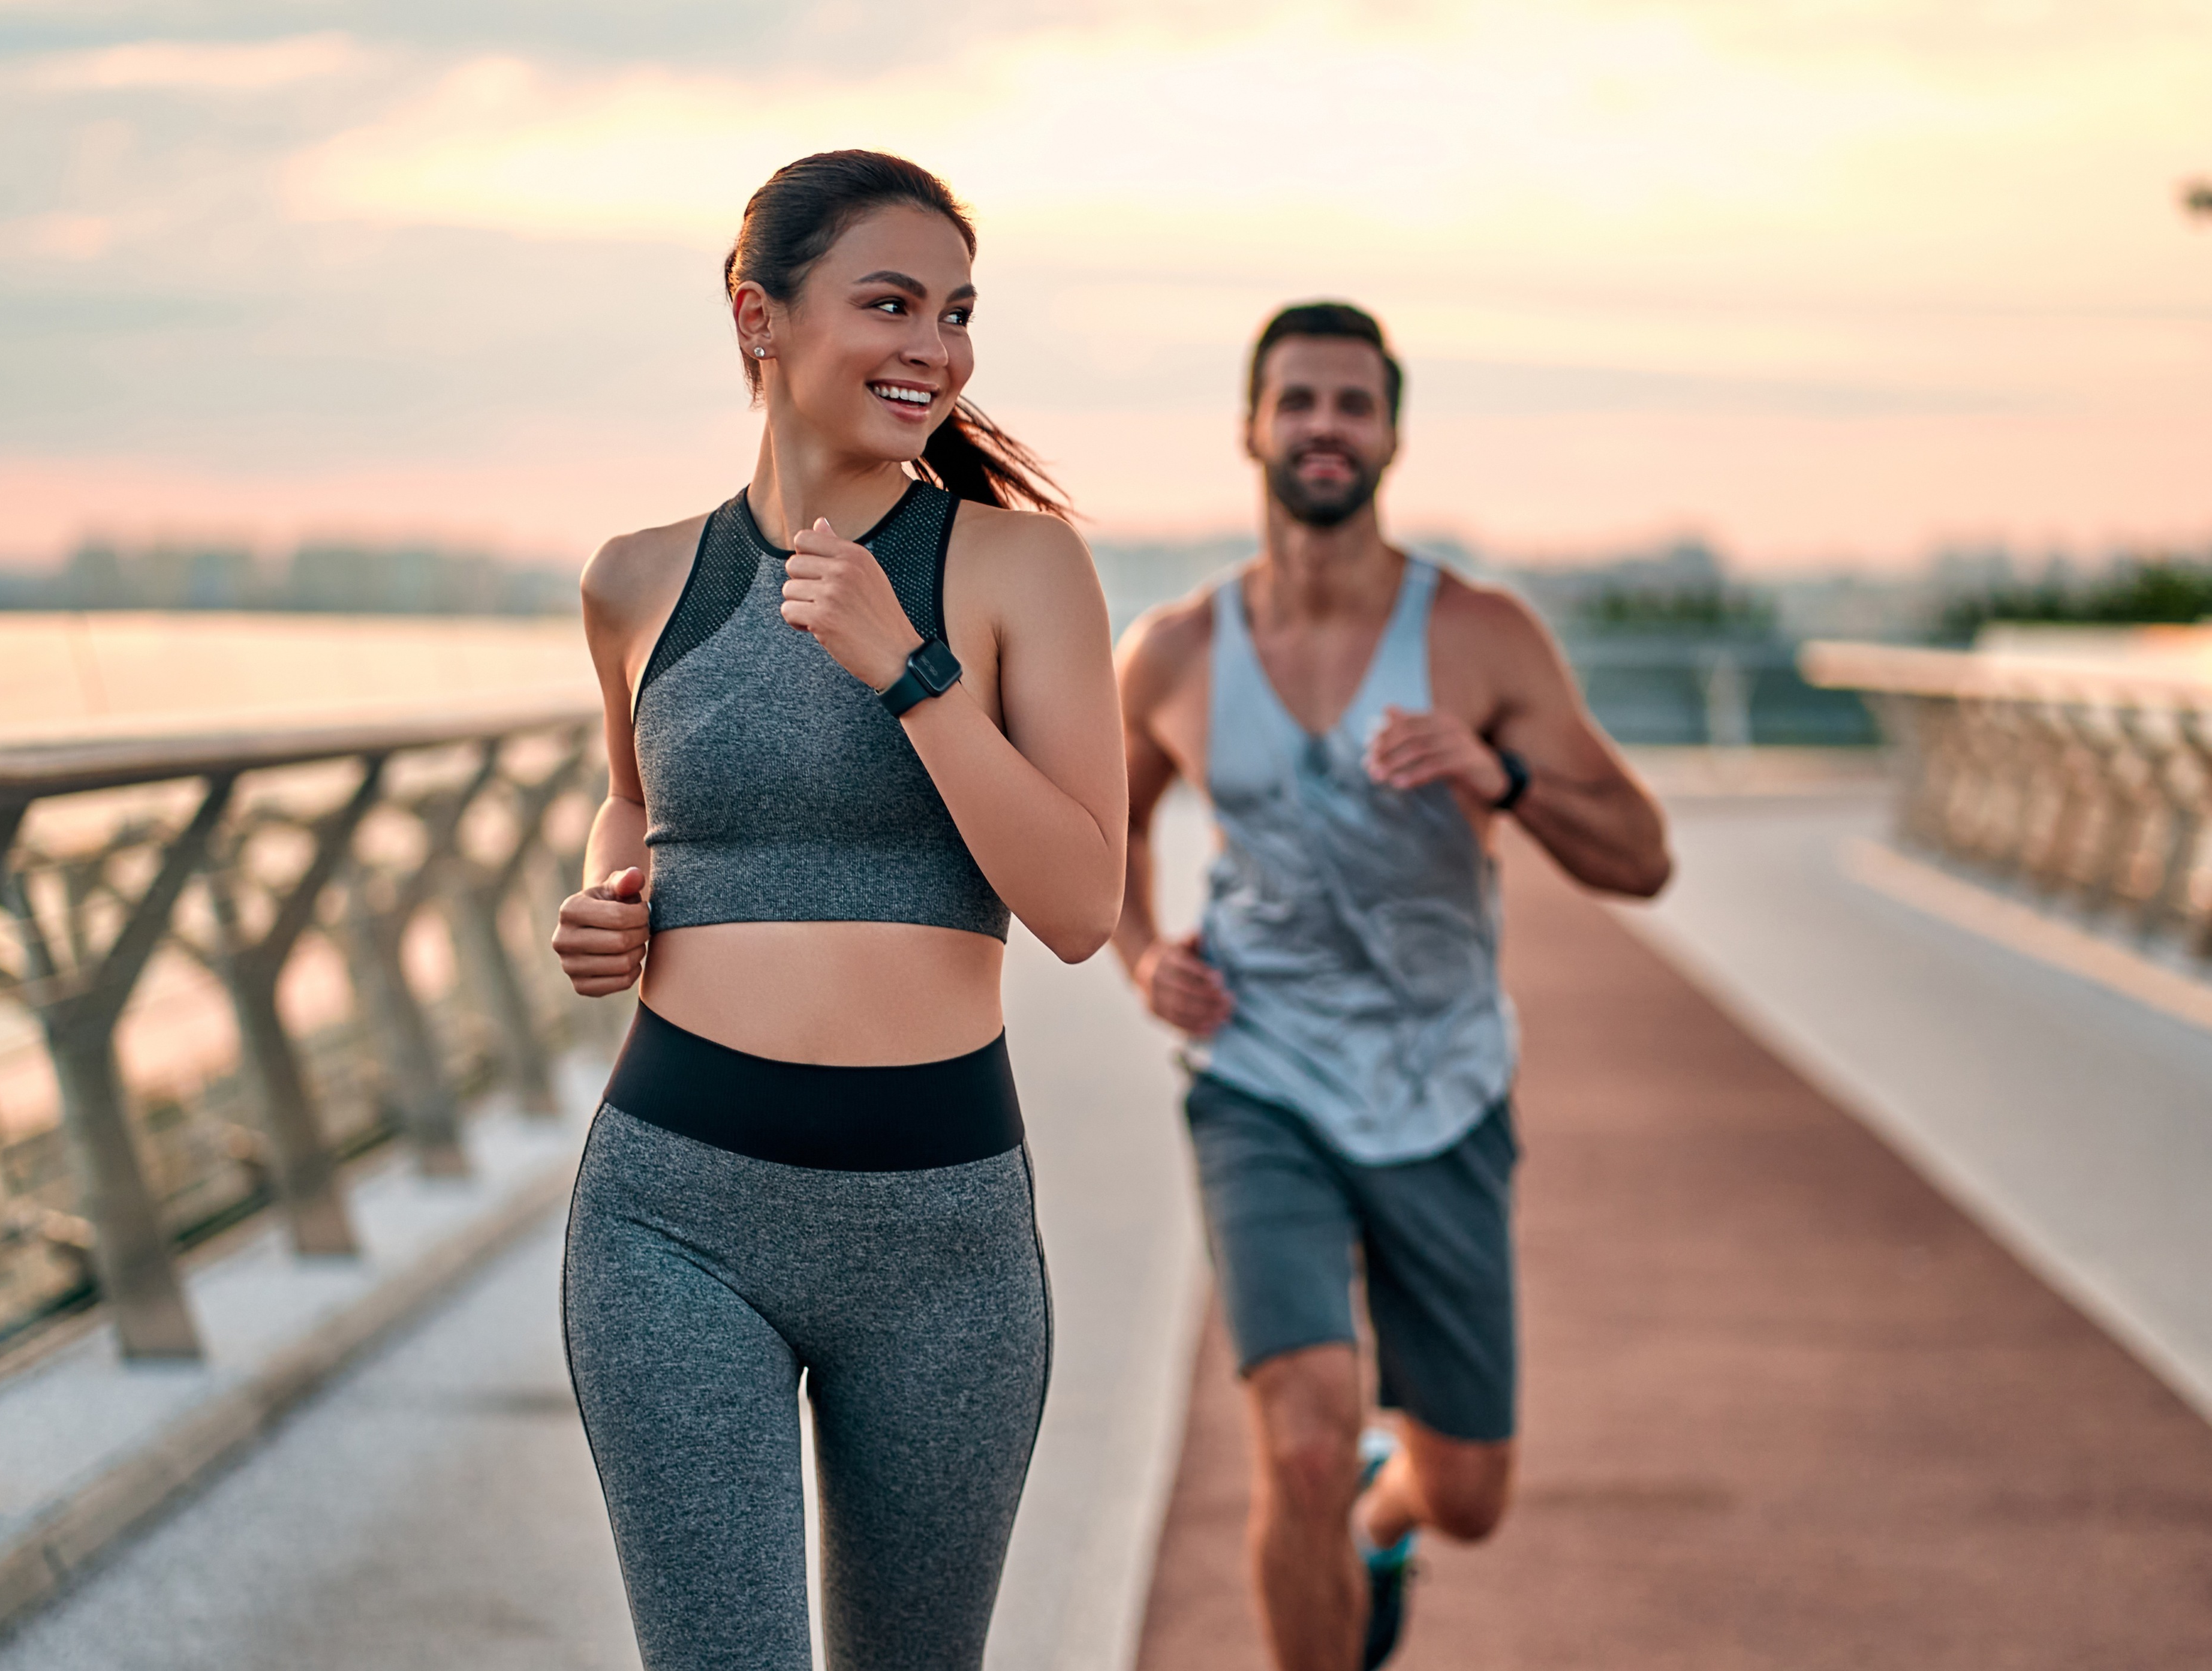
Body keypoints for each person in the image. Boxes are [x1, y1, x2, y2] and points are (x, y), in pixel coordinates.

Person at [547, 151, 1125, 1671]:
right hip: (673, 1212)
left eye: (956, 312)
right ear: (761, 316)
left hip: (942, 1235)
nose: (934, 347)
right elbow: (636, 803)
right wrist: (606, 906)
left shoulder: (1016, 566)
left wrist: (908, 668)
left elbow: (1079, 904)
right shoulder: (634, 578)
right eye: (890, 303)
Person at [1113, 302, 1671, 1671]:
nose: (1323, 427)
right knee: (1296, 1444)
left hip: (1444, 1088)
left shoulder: (1479, 635)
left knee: (1470, 1492)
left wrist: (1505, 778)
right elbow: (1101, 826)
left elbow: (1643, 858)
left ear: (1392, 435)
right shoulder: (1177, 651)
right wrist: (1144, 954)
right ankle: (1337, 1507)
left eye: (1351, 404)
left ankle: (1391, 1511)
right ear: (1252, 425)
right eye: (1297, 400)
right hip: (1260, 1081)